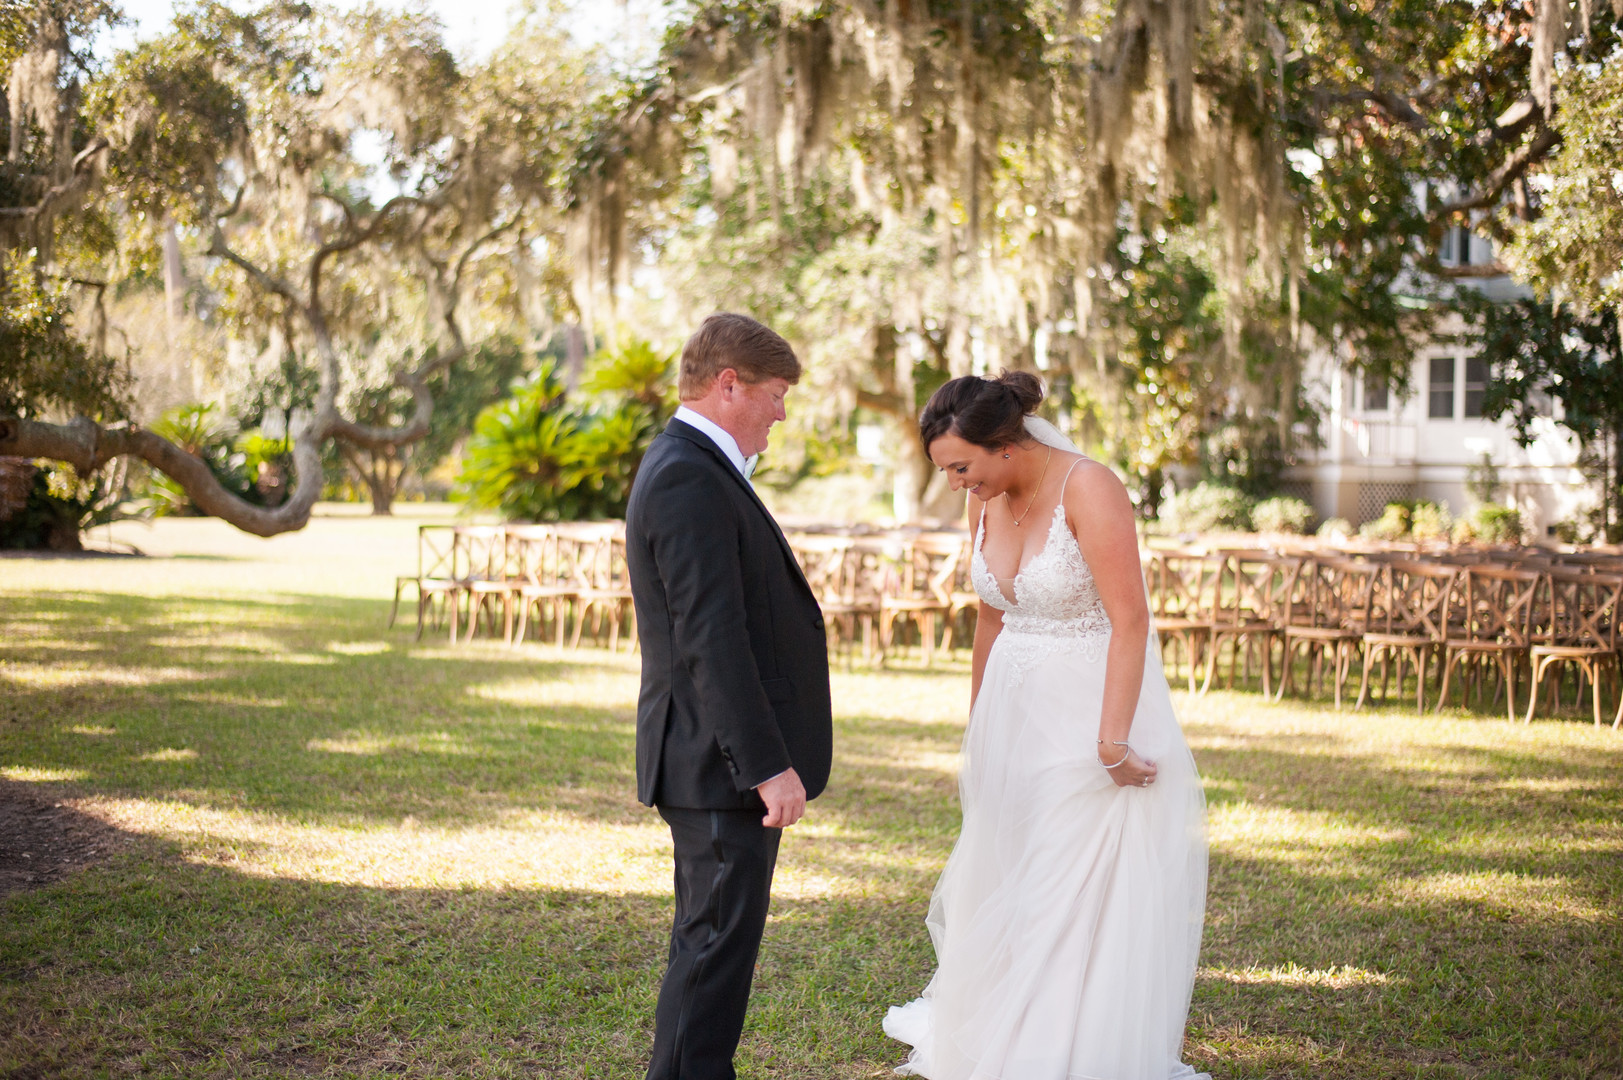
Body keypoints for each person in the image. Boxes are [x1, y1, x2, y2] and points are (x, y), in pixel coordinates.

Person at [883, 371, 1209, 1080]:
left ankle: (1056, 1049)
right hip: (1012, 715)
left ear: (1004, 444)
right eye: (944, 472)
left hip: (1089, 713)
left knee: (1070, 878)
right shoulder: (986, 498)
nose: (955, 485)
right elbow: (991, 617)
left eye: (960, 468)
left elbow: (1130, 619)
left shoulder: (1088, 487)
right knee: (1012, 871)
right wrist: (978, 728)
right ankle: (1004, 1019)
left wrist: (1112, 740)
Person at [625, 312, 834, 1080]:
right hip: (717, 765)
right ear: (728, 385)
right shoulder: (686, 473)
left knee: (710, 950)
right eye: (775, 393)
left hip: (711, 760)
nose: (781, 410)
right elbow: (710, 639)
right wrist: (764, 765)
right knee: (712, 956)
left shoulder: (694, 465)